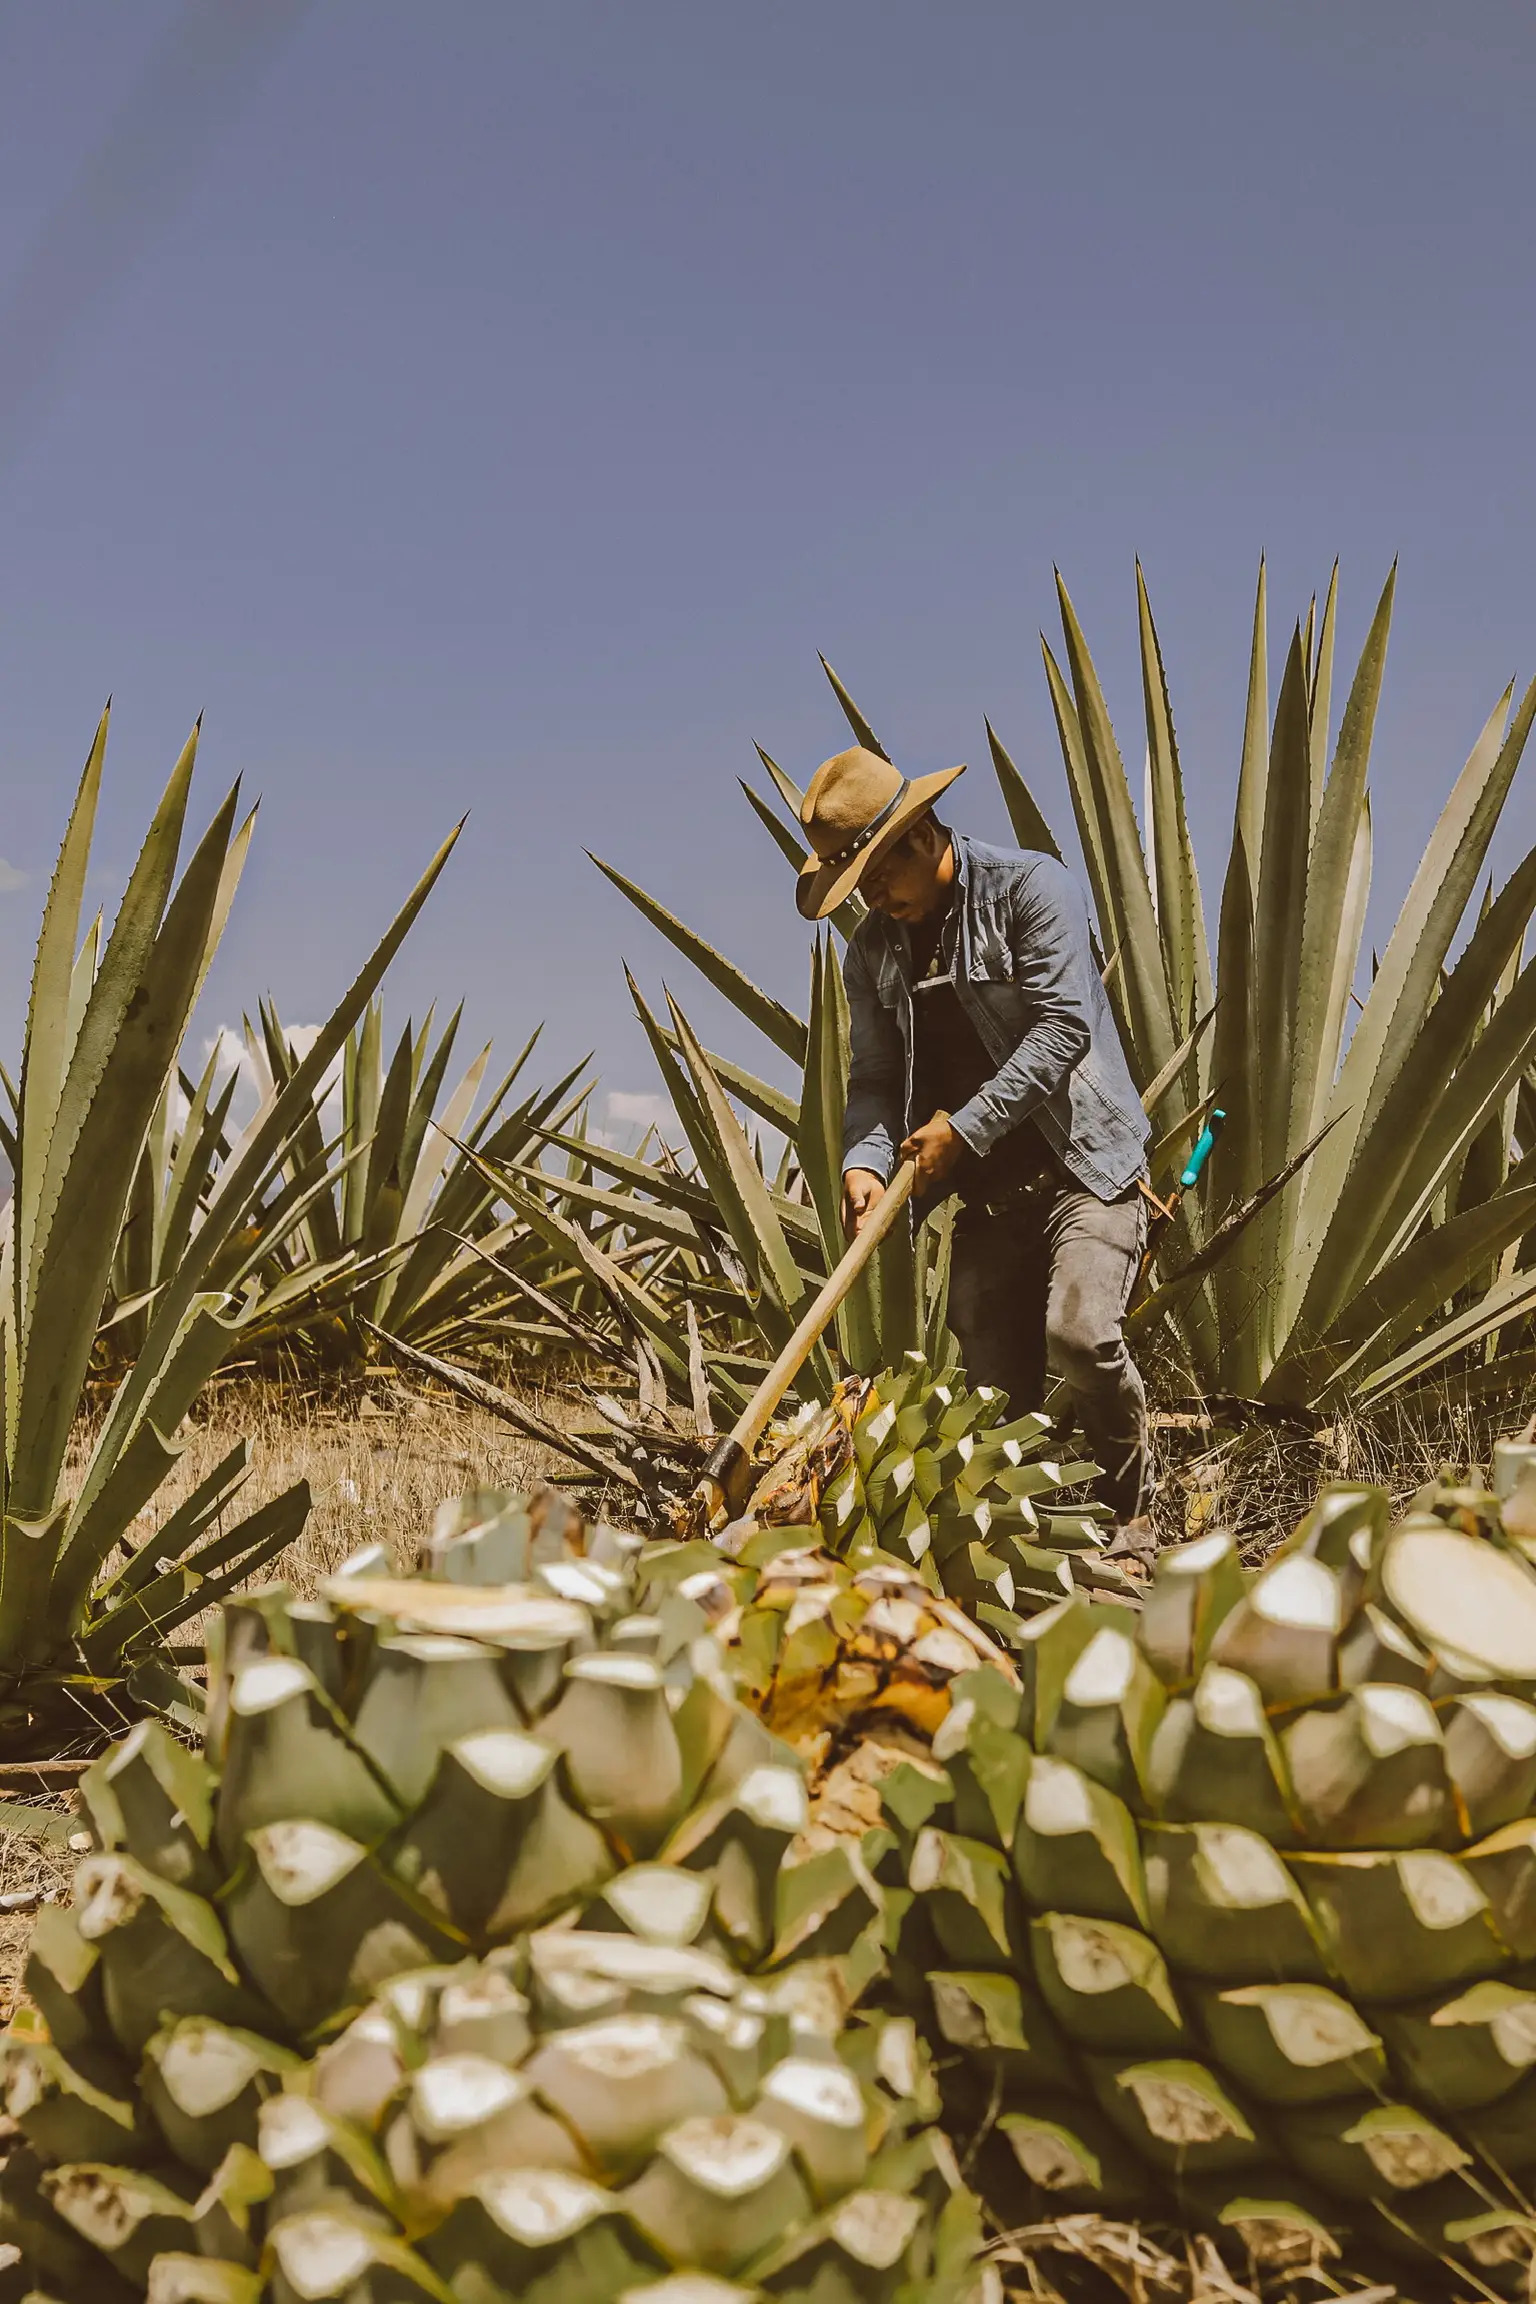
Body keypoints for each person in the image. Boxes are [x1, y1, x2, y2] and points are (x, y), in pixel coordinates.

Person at [794, 742, 1154, 1553]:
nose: (875, 898)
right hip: (988, 1197)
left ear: (922, 835)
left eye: (881, 872)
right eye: (860, 885)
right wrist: (863, 1159)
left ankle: (1133, 1516)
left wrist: (964, 1127)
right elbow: (878, 1078)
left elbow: (1064, 1027)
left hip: (1084, 1170)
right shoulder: (873, 954)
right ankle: (1034, 1552)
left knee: (1081, 1335)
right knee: (995, 1400)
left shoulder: (1033, 889)